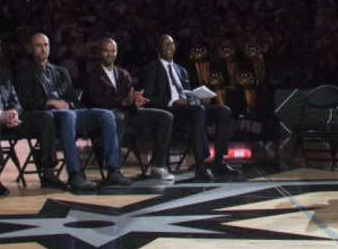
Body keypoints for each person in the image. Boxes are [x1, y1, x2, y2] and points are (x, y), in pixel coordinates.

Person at [16, 32, 131, 192]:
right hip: (46, 116)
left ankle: (113, 170)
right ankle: (75, 174)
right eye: (38, 46)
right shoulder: (24, 72)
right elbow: (26, 102)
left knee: (107, 114)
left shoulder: (60, 71)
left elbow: (73, 99)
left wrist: (68, 104)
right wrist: (51, 102)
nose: (43, 49)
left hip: (69, 113)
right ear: (30, 49)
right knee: (69, 115)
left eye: (46, 45)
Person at [141, 34, 238, 181]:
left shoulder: (182, 70)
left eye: (171, 44)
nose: (169, 47)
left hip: (190, 109)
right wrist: (173, 102)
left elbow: (187, 93)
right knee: (197, 111)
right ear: (158, 48)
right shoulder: (151, 69)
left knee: (224, 111)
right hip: (169, 112)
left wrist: (198, 98)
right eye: (165, 44)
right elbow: (148, 98)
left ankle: (219, 162)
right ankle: (201, 166)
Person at [84, 38, 175, 181]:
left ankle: (158, 166)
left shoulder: (123, 73)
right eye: (106, 51)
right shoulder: (92, 75)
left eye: (112, 51)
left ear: (116, 52)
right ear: (99, 53)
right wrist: (124, 101)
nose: (109, 54)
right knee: (117, 116)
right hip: (105, 117)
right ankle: (114, 170)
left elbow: (129, 96)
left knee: (165, 117)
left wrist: (135, 100)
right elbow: (97, 101)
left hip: (128, 113)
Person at [0, 32, 65, 193]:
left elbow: (15, 99)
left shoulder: (3, 71)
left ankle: (48, 173)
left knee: (45, 118)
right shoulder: (22, 70)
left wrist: (14, 112)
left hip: (10, 119)